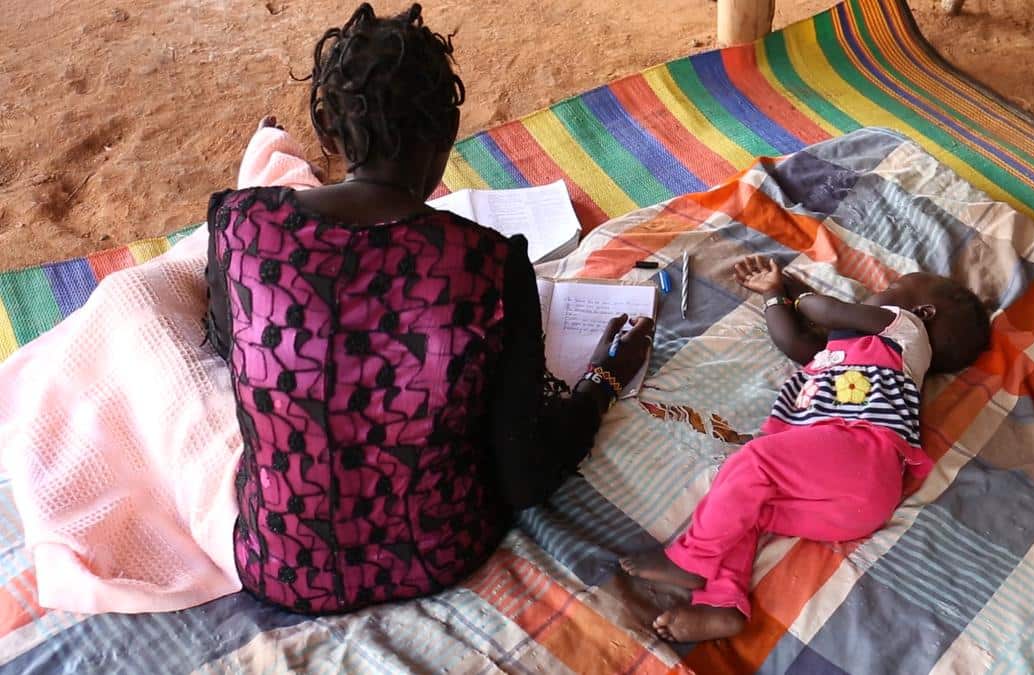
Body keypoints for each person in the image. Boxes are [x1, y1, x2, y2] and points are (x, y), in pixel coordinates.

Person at [203, 2, 653, 615]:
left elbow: (231, 342)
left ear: (328, 135)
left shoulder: (242, 227)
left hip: (281, 568)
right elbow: (524, 477)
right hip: (436, 556)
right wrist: (602, 380)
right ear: (443, 142)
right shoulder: (488, 265)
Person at [620, 255, 990, 642]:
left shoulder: (906, 330)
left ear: (921, 311)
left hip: (860, 451)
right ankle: (723, 603)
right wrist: (773, 295)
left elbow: (826, 310)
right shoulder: (842, 351)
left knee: (754, 461)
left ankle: (694, 559)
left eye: (889, 290)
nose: (876, 293)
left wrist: (798, 295)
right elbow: (794, 341)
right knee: (746, 507)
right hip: (852, 504)